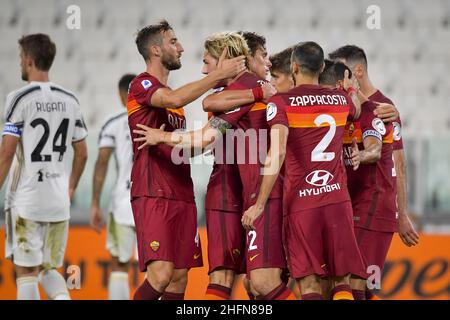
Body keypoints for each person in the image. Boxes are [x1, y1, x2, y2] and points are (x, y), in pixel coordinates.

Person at [133, 31, 295, 301]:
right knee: (234, 280)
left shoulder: (249, 93)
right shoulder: (247, 92)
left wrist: (161, 137)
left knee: (262, 282)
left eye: (208, 61)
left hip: (262, 192)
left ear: (225, 59)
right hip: (237, 192)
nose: (203, 68)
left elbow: (205, 136)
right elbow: (206, 130)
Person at [128, 20, 246, 300]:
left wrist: (210, 138)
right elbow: (176, 96)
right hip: (153, 192)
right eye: (173, 42)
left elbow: (181, 148)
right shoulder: (142, 84)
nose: (181, 48)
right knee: (160, 276)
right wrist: (218, 77)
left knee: (179, 279)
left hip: (182, 193)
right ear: (155, 50)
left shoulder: (174, 106)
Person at [242, 42, 367, 300]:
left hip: (302, 204)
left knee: (309, 284)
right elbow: (356, 108)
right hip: (337, 201)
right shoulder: (340, 99)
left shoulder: (281, 102)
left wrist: (260, 204)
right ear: (322, 67)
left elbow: (276, 153)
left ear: (294, 67)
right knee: (341, 279)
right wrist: (351, 86)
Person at [0, 34, 88, 300]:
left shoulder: (18, 98)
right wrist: (70, 187)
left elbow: (7, 152)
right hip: (58, 200)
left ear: (28, 60)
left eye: (20, 59)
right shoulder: (70, 99)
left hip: (27, 199)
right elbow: (82, 152)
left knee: (25, 270)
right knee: (48, 269)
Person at [329, 45, 419, 299]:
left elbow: (398, 165)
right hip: (350, 202)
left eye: (342, 70)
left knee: (355, 282)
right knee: (360, 287)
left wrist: (402, 215)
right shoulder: (345, 106)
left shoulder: (384, 109)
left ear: (357, 71)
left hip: (373, 204)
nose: (338, 76)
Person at [90, 74, 136, 300]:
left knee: (119, 264)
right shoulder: (156, 118)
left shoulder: (113, 123)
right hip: (152, 202)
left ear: (120, 95)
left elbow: (101, 164)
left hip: (123, 201)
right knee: (157, 265)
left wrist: (95, 203)